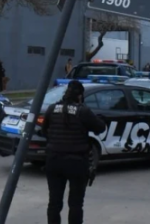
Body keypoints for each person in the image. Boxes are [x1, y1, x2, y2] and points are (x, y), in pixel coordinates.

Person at [41, 80, 106, 224]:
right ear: (80, 96)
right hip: (77, 162)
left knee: (54, 203)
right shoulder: (83, 111)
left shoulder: (52, 109)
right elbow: (100, 127)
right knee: (76, 204)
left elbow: (44, 131)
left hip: (54, 160)